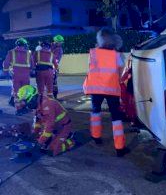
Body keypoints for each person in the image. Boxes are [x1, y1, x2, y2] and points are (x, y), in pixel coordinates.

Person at [83, 27, 129, 157]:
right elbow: (121, 74)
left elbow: (90, 68)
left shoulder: (93, 53)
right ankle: (119, 147)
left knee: (96, 112)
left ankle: (96, 137)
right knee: (116, 117)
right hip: (111, 89)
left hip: (95, 89)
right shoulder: (117, 55)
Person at [18, 85, 75, 156]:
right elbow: (38, 121)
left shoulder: (48, 106)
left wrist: (39, 143)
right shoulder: (39, 103)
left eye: (26, 102)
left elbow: (49, 128)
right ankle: (56, 138)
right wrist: (35, 133)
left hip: (63, 127)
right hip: (54, 126)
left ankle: (69, 142)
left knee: (53, 149)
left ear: (32, 98)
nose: (26, 105)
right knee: (40, 140)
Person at [2, 38, 33, 115]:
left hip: (15, 75)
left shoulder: (11, 52)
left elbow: (6, 63)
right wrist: (30, 71)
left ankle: (18, 108)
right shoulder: (28, 53)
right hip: (26, 75)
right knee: (25, 92)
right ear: (25, 45)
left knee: (17, 92)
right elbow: (32, 65)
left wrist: (6, 73)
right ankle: (23, 108)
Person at [51, 35, 64, 99]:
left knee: (53, 82)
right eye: (60, 42)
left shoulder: (58, 49)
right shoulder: (57, 49)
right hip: (52, 67)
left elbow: (56, 59)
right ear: (56, 41)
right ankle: (53, 96)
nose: (61, 43)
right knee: (53, 82)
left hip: (52, 67)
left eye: (62, 42)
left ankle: (54, 96)